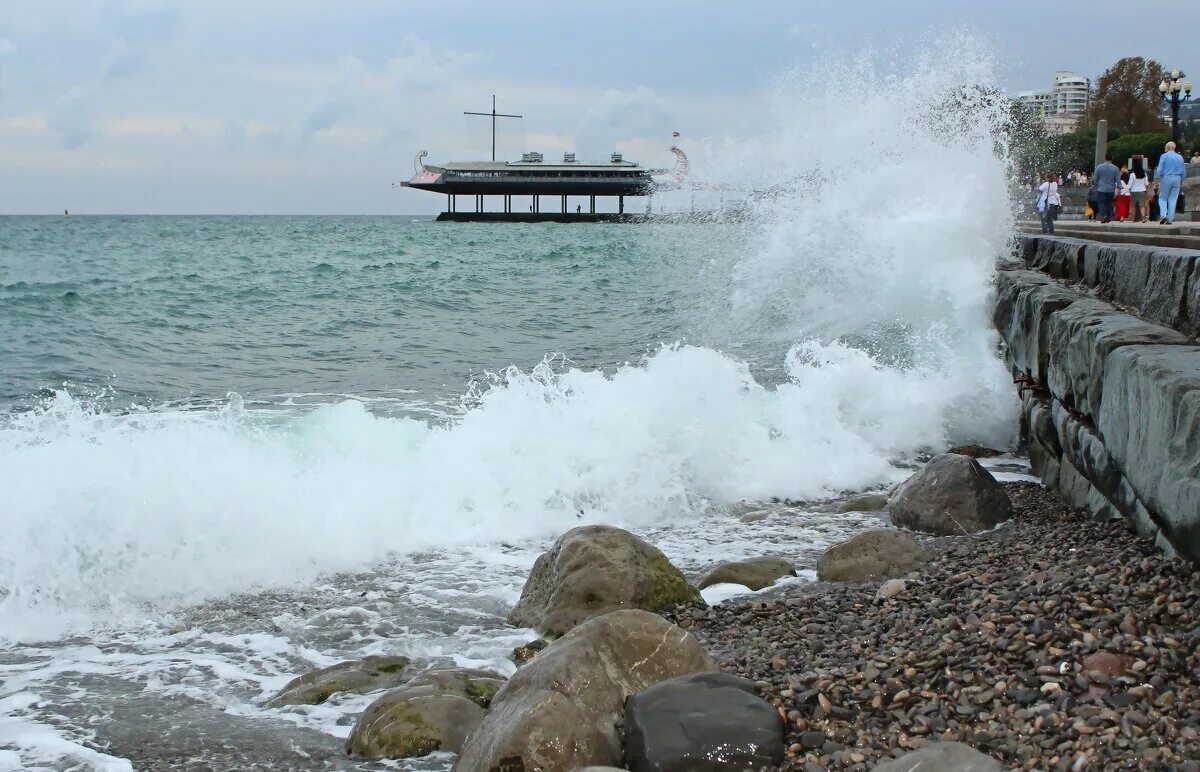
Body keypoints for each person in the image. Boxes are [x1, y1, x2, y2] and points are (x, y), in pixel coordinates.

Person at [1154, 141, 1185, 224]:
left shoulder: (1164, 156)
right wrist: (1182, 180)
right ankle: (1170, 219)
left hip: (1167, 177)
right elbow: (1183, 171)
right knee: (1173, 199)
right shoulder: (1180, 157)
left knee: (1162, 197)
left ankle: (1163, 215)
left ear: (1167, 148)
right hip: (1177, 178)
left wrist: (1157, 178)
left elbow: (1160, 168)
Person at [1092, 153, 1120, 224]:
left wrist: (1095, 185)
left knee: (1101, 203)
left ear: (1105, 158)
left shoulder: (1099, 167)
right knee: (1109, 203)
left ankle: (1103, 215)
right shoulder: (1115, 168)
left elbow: (1095, 178)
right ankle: (1108, 216)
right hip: (1111, 189)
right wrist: (1119, 187)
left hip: (1101, 188)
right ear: (1112, 158)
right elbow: (1117, 180)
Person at [1128, 156, 1150, 223]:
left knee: (1133, 206)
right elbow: (1146, 184)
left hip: (1133, 192)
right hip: (1142, 191)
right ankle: (1143, 217)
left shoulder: (1132, 175)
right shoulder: (1144, 174)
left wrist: (1129, 190)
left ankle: (1133, 220)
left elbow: (1129, 184)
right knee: (1142, 205)